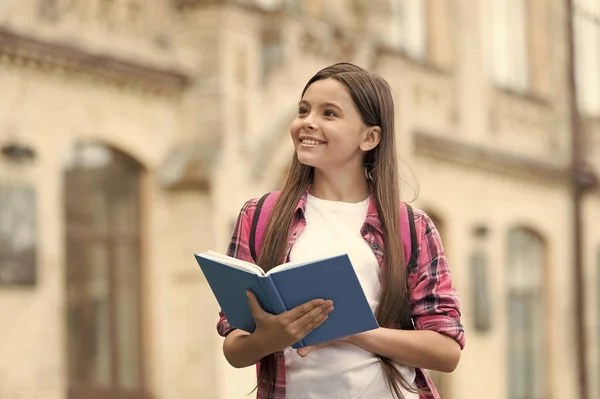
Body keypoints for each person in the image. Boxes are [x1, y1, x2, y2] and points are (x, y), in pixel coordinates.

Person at [216, 63, 465, 399]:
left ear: (369, 137)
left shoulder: (411, 227)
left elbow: (446, 350)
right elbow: (234, 348)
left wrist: (351, 330)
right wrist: (273, 337)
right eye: (303, 110)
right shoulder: (260, 216)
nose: (308, 122)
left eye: (329, 113)